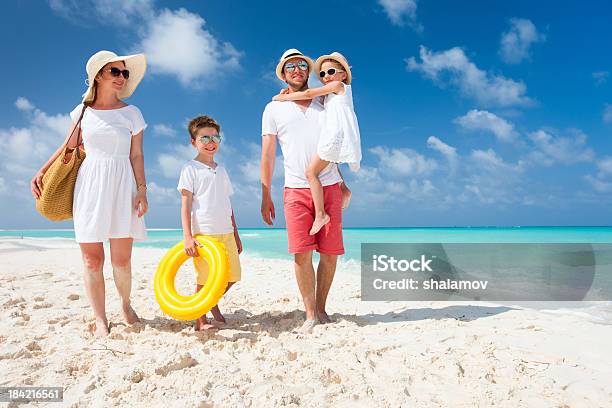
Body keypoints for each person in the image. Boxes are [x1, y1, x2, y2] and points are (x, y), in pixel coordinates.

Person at [30, 50, 148, 337]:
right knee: (92, 260)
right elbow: (68, 146)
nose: (121, 77)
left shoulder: (132, 113)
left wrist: (142, 189)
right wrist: (42, 170)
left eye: (125, 73)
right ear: (98, 76)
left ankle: (125, 303)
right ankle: (100, 319)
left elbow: (136, 155)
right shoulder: (83, 111)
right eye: (115, 72)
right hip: (90, 184)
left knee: (121, 260)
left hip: (123, 184)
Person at [261, 49, 345, 333]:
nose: (296, 69)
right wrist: (265, 193)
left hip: (329, 184)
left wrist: (343, 182)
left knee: (330, 253)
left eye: (301, 65)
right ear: (283, 73)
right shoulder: (273, 108)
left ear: (307, 71)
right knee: (301, 253)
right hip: (295, 188)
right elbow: (268, 154)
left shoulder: (324, 99)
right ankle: (310, 313)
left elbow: (334, 141)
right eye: (290, 66)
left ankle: (321, 309)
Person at [273, 52, 361, 235]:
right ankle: (344, 189)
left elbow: (309, 93)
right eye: (322, 74)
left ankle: (321, 215)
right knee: (326, 165)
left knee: (311, 172)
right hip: (334, 136)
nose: (326, 76)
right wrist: (288, 92)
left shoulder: (339, 86)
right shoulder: (329, 95)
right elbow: (310, 98)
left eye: (330, 71)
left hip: (335, 136)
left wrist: (282, 98)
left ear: (343, 74)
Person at [178, 115, 242, 331]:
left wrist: (236, 233)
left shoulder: (221, 170)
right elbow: (185, 205)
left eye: (215, 137)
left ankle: (211, 302)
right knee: (205, 279)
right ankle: (201, 319)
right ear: (193, 142)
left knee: (233, 275)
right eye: (204, 138)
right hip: (204, 234)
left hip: (226, 231)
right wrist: (188, 236)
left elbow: (228, 203)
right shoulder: (190, 169)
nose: (211, 142)